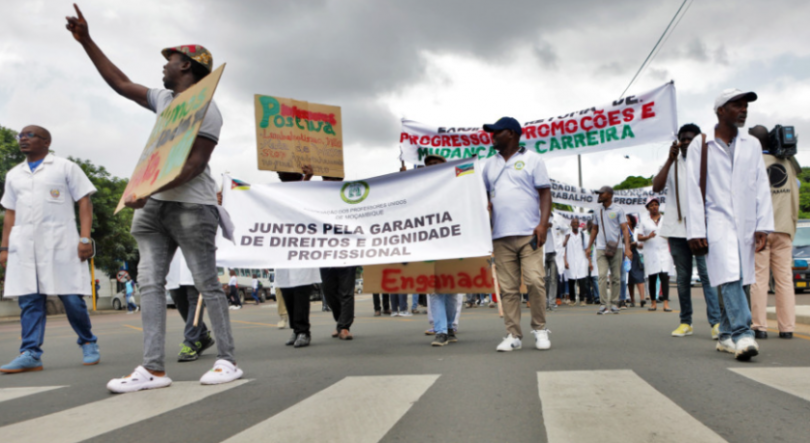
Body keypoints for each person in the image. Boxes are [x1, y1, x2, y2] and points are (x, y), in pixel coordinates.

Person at [67, 6, 242, 391]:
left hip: (192, 206)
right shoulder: (163, 99)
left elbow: (195, 164)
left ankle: (227, 361)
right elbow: (120, 83)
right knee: (149, 284)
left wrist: (147, 190)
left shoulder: (208, 109)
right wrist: (86, 40)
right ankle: (153, 369)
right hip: (152, 207)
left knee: (206, 283)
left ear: (187, 66)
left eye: (171, 60)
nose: (164, 66)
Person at [0, 125, 100, 373]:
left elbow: (84, 201)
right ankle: (31, 353)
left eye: (30, 135)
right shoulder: (14, 175)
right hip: (25, 247)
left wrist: (85, 238)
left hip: (61, 243)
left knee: (71, 298)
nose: (23, 138)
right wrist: (4, 247)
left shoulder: (65, 167)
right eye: (21, 135)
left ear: (46, 142)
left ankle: (88, 341)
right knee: (29, 300)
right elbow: (10, 213)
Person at [685, 89, 773, 361]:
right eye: (737, 105)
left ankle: (724, 335)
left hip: (745, 222)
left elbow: (761, 185)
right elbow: (692, 188)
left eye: (745, 105)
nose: (743, 109)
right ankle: (743, 333)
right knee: (731, 275)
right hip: (717, 221)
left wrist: (763, 225)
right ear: (720, 110)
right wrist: (696, 230)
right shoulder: (701, 144)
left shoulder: (752, 145)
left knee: (742, 279)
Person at [481, 117, 552, 352]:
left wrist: (543, 224)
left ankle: (540, 329)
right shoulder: (489, 165)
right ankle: (513, 335)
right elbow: (483, 196)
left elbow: (545, 193)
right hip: (500, 236)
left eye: (497, 132)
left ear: (511, 133)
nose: (492, 136)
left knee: (535, 282)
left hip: (529, 234)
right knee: (508, 289)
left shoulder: (533, 159)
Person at [652, 123, 721, 339]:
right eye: (683, 139)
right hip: (677, 228)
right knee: (683, 278)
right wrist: (669, 160)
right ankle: (685, 322)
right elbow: (656, 187)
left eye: (691, 139)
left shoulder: (708, 162)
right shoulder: (672, 163)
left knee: (707, 276)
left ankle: (716, 323)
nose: (686, 142)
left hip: (701, 228)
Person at [749, 125, 798, 339]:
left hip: (761, 231)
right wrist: (790, 226)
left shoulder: (751, 163)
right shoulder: (788, 164)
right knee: (784, 280)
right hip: (784, 228)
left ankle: (759, 327)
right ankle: (786, 328)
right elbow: (795, 195)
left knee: (759, 279)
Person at [274, 170, 322, 348]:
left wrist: (307, 178)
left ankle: (303, 330)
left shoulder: (305, 191)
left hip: (301, 250)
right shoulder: (274, 193)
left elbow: (301, 196)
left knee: (301, 290)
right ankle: (295, 328)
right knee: (287, 290)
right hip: (283, 250)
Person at [420, 154, 460, 346]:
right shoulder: (419, 188)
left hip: (454, 244)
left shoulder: (456, 185)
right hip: (431, 246)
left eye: (436, 164)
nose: (432, 167)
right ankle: (441, 331)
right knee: (435, 290)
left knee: (451, 289)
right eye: (429, 165)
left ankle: (450, 327)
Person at [318, 171, 358, 340]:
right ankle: (340, 321)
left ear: (340, 179)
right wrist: (307, 177)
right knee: (329, 291)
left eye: (331, 178)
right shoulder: (317, 197)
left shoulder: (349, 198)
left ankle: (344, 327)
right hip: (325, 253)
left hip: (347, 252)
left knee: (346, 292)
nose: (327, 180)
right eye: (325, 178)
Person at [585, 186, 633, 315]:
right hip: (601, 248)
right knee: (601, 276)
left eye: (602, 193)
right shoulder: (597, 210)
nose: (599, 195)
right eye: (599, 193)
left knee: (616, 277)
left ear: (610, 195)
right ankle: (603, 305)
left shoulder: (618, 209)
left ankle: (614, 303)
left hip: (616, 248)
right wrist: (589, 247)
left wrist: (627, 248)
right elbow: (594, 229)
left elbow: (625, 229)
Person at [167, 250, 215, 362]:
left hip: (194, 255)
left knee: (194, 298)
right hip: (173, 260)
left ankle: (191, 342)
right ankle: (202, 335)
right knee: (177, 296)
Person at [638, 197, 673, 312]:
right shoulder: (644, 221)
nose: (654, 207)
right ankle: (653, 303)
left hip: (664, 251)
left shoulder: (665, 219)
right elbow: (639, 237)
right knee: (652, 278)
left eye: (656, 204)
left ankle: (666, 304)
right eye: (651, 205)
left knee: (664, 277)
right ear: (648, 208)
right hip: (651, 252)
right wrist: (648, 236)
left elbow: (671, 232)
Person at [564, 218, 590, 305]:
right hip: (570, 260)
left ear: (579, 224)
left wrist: (589, 261)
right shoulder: (567, 235)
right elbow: (563, 249)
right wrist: (565, 261)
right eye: (574, 223)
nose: (575, 224)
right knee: (571, 281)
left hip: (581, 260)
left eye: (577, 223)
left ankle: (582, 300)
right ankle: (572, 300)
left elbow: (587, 249)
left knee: (582, 280)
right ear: (571, 224)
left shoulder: (583, 235)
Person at [625, 214, 646, 309]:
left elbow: (642, 244)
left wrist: (636, 244)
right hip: (627, 256)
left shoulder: (637, 231)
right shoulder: (623, 231)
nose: (625, 221)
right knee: (630, 279)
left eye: (627, 219)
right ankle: (632, 299)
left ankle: (642, 298)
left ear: (632, 221)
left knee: (639, 277)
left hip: (637, 255)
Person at [544, 221, 558, 311]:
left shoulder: (556, 218)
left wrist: (553, 225)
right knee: (544, 279)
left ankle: (552, 303)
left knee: (553, 279)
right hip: (543, 253)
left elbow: (566, 229)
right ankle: (545, 302)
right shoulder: (540, 218)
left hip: (553, 253)